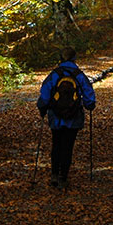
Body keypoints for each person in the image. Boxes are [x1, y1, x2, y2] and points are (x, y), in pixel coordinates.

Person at [36, 47, 96, 188]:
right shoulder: (79, 75)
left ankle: (54, 175)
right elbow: (89, 97)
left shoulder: (55, 74)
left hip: (56, 115)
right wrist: (90, 105)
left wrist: (42, 109)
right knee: (68, 146)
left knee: (56, 144)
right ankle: (64, 177)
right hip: (73, 116)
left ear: (61, 59)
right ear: (74, 58)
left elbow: (44, 95)